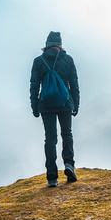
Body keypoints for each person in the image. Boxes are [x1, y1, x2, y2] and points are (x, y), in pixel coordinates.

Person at [30, 31, 80, 187]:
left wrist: (35, 106)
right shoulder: (68, 60)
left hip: (46, 105)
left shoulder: (39, 61)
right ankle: (69, 165)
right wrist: (75, 104)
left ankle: (52, 177)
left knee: (50, 139)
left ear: (46, 45)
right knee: (67, 134)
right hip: (65, 103)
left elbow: (34, 86)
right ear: (60, 45)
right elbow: (74, 84)